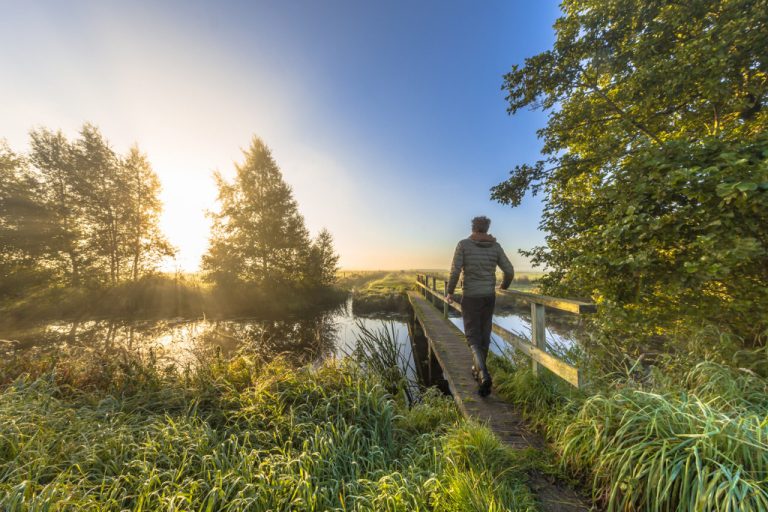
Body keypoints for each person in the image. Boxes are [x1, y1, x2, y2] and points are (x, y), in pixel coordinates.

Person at [446, 216, 514, 397]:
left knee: (472, 336)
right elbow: (509, 271)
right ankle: (478, 370)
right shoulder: (495, 247)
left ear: (473, 228)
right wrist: (504, 287)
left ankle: (483, 374)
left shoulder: (463, 245)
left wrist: (449, 291)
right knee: (484, 333)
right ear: (487, 228)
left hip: (470, 296)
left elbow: (454, 271)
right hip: (488, 296)